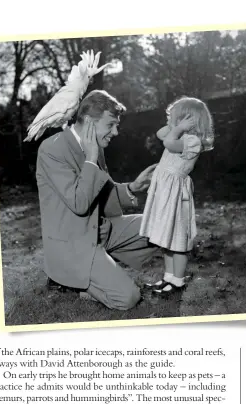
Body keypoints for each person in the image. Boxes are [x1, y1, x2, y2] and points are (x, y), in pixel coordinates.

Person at [36, 89, 158, 310]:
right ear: (90, 123)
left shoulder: (95, 148)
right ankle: (72, 281)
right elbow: (79, 203)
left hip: (100, 232)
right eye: (111, 124)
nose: (116, 132)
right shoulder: (51, 149)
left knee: (160, 225)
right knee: (128, 298)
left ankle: (101, 270)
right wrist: (91, 160)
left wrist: (133, 187)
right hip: (73, 245)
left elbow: (105, 193)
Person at [140, 96, 214, 296]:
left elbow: (169, 143)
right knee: (167, 239)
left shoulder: (192, 141)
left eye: (173, 118)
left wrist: (178, 128)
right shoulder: (179, 135)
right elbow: (161, 133)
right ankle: (168, 278)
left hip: (175, 194)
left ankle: (178, 282)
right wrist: (175, 125)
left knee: (178, 240)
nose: (169, 122)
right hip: (165, 192)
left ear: (188, 121)